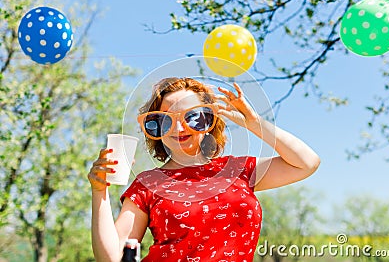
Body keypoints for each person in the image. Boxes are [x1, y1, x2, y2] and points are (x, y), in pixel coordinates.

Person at [88, 77, 320, 262]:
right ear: (156, 128)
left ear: (209, 121)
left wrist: (253, 122)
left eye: (192, 116)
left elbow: (306, 163)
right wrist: (99, 192)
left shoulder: (237, 170)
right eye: (166, 119)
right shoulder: (149, 184)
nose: (179, 127)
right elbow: (113, 257)